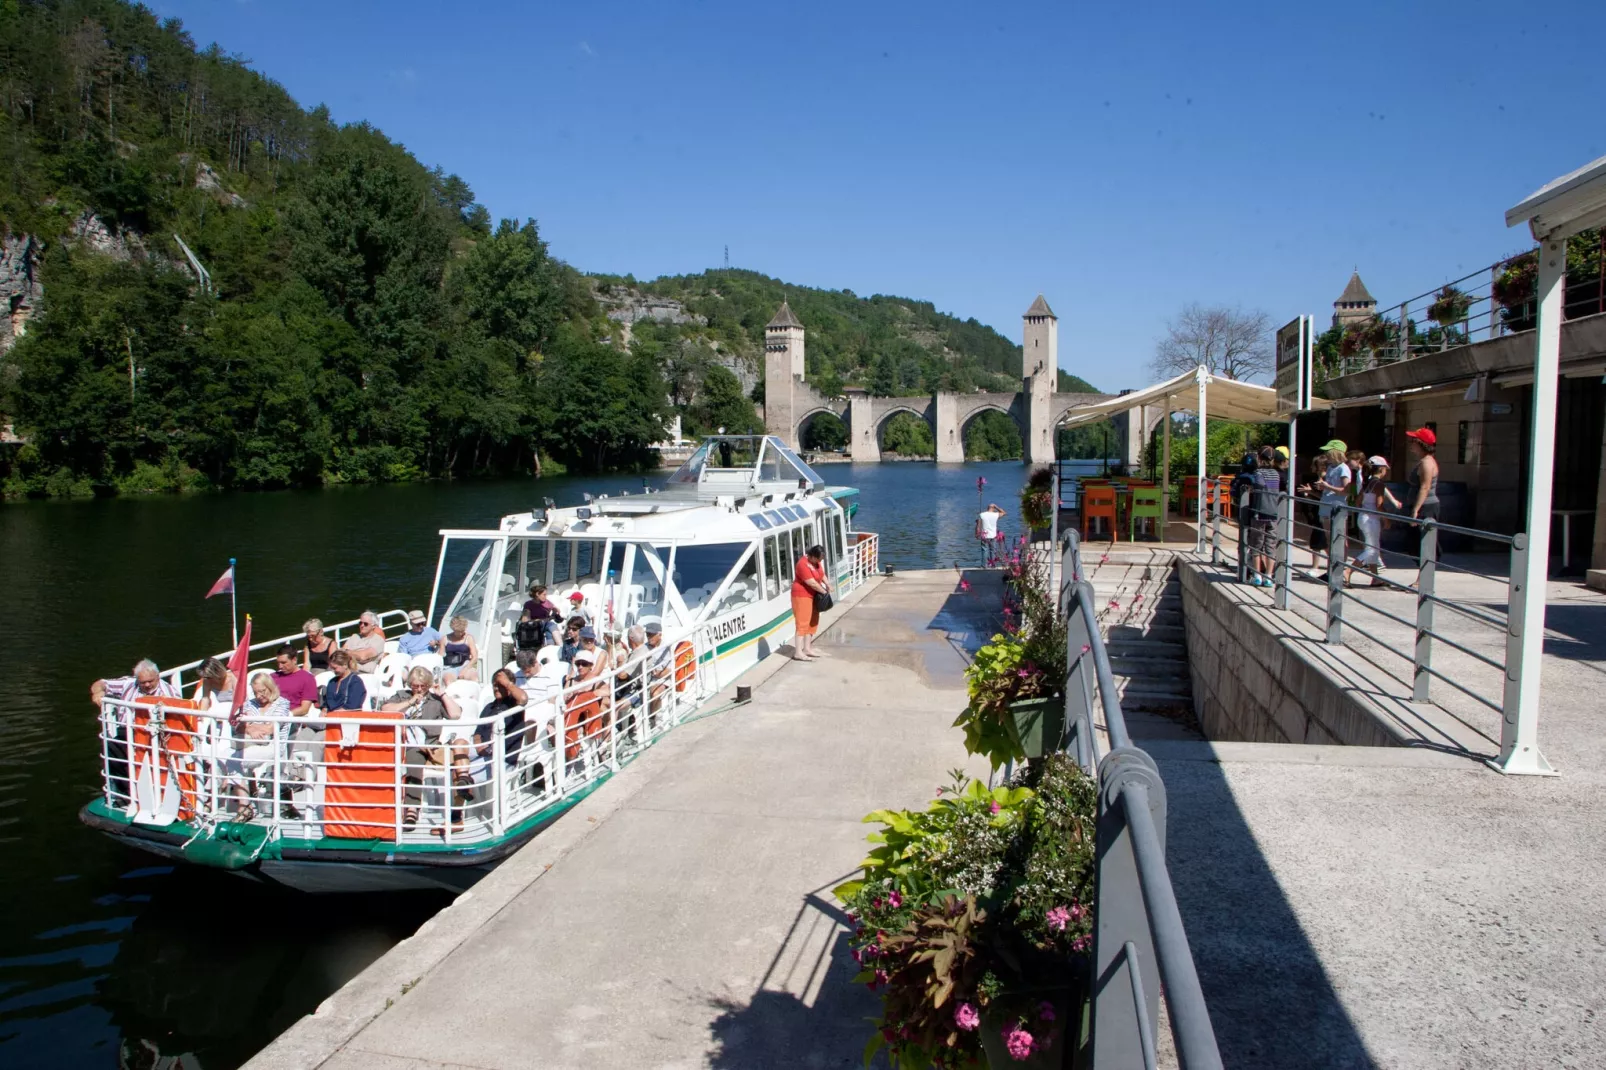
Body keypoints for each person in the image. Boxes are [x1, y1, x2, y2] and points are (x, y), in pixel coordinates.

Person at [383, 666, 467, 831]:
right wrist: (409, 702)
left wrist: (442, 693)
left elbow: (456, 714)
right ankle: (412, 809)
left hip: (433, 746)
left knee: (461, 751)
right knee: (415, 753)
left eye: (423, 686)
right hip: (410, 745)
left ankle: (457, 810)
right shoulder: (402, 696)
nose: (419, 689)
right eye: (415, 686)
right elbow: (384, 710)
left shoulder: (435, 700)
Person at [90, 659, 179, 803]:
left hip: (152, 735)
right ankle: (125, 792)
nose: (147, 685)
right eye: (143, 682)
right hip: (126, 730)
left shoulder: (169, 693)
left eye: (151, 681)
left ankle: (142, 791)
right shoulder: (129, 684)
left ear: (158, 677)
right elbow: (100, 683)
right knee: (110, 747)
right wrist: (98, 693)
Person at [229, 672, 290, 821]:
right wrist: (250, 728)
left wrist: (251, 725)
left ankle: (244, 806)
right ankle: (243, 803)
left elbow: (270, 730)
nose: (259, 696)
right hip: (249, 744)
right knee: (223, 755)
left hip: (272, 747)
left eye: (262, 691)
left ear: (270, 687)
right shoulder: (250, 703)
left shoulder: (282, 703)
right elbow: (238, 727)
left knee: (231, 761)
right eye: (256, 692)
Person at [474, 669, 531, 780]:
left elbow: (523, 698)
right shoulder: (489, 707)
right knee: (456, 766)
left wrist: (507, 683)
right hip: (484, 755)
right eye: (494, 685)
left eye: (500, 684)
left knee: (464, 776)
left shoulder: (515, 705)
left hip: (503, 759)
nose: (496, 688)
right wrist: (478, 746)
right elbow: (477, 733)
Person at [1355, 457, 1403, 586]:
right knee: (1372, 550)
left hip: (1362, 517)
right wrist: (1386, 519)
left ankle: (1374, 577)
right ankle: (1348, 571)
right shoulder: (1379, 484)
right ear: (1381, 469)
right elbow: (1379, 505)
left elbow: (1358, 501)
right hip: (1372, 519)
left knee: (1371, 548)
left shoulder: (1367, 482)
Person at [1311, 440, 1354, 583]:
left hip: (1336, 508)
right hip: (1325, 507)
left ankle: (1339, 572)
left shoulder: (1343, 468)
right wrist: (1322, 488)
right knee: (1330, 542)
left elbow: (1346, 491)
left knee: (1340, 540)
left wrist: (1327, 486)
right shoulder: (1331, 468)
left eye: (1328, 452)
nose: (1326, 455)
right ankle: (1331, 570)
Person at [1404, 427, 1441, 563]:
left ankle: (1423, 578)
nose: (1411, 444)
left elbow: (1425, 487)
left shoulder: (1427, 463)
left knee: (1423, 542)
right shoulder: (1422, 461)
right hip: (1420, 505)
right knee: (1414, 544)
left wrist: (1416, 510)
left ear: (1421, 444)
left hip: (1426, 507)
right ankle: (1421, 575)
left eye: (1413, 441)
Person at [1248, 445, 1282, 587]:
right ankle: (1268, 576)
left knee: (1256, 544)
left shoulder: (1258, 473)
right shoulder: (1276, 473)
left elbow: (1259, 485)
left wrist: (1251, 488)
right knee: (1270, 545)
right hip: (1273, 512)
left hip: (1260, 511)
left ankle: (1257, 575)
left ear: (1259, 458)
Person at [791, 543, 831, 661]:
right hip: (801, 595)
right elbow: (811, 582)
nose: (820, 561)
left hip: (814, 595)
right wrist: (824, 592)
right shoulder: (802, 564)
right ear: (812, 556)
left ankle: (807, 648)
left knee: (813, 621)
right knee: (802, 622)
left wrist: (827, 584)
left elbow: (821, 574)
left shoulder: (816, 562)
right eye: (819, 559)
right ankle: (798, 652)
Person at [272, 645, 319, 718]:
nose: (280, 666)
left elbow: (304, 709)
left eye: (283, 662)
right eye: (278, 663)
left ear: (294, 660)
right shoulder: (273, 677)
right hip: (269, 714)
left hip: (291, 718)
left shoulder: (307, 678)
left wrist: (286, 715)